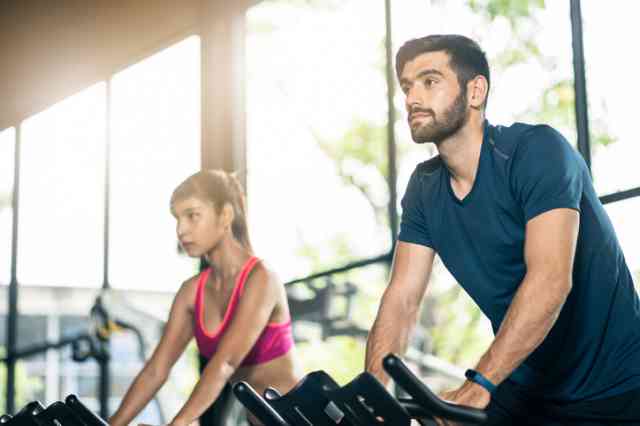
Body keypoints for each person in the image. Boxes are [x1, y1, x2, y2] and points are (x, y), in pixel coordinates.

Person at [365, 34, 640, 425]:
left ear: (475, 91)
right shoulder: (424, 189)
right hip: (527, 386)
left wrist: (479, 386)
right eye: (407, 87)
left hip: (619, 386)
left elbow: (550, 279)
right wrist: (373, 396)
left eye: (429, 81)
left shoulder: (536, 151)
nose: (411, 98)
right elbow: (402, 299)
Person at [109, 170, 300, 426]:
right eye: (177, 218)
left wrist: (177, 424)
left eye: (192, 216)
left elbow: (225, 364)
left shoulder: (261, 278)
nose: (181, 229)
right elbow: (156, 370)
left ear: (225, 215)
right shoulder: (191, 292)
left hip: (302, 418)